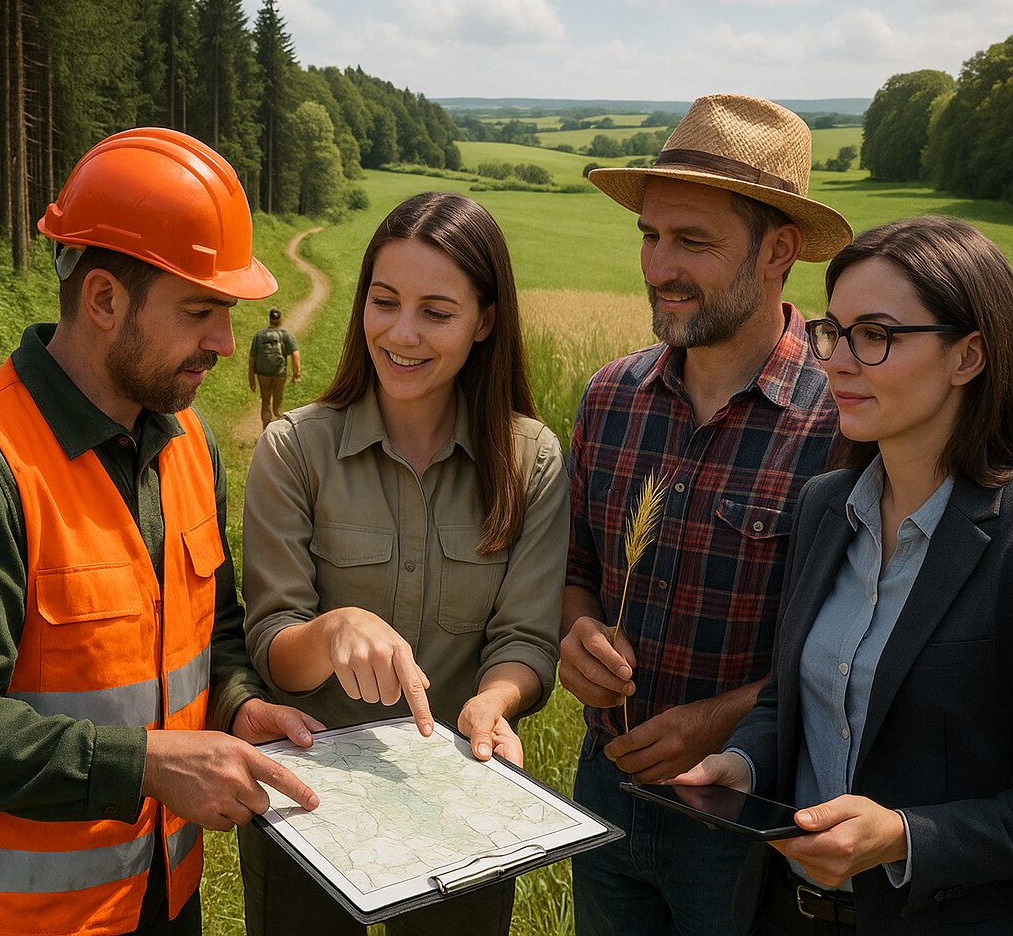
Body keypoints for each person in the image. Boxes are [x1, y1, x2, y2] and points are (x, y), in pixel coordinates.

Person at [0, 128, 323, 936]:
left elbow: (222, 632)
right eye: (200, 311)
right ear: (104, 300)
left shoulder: (187, 443)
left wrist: (239, 705)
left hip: (167, 902)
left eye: (229, 313)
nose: (224, 343)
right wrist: (145, 765)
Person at [558, 93, 853, 936]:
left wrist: (722, 721)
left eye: (693, 241)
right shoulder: (610, 396)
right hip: (604, 783)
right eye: (650, 236)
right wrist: (575, 633)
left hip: (751, 813)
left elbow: (862, 647)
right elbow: (576, 568)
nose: (658, 266)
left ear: (779, 251)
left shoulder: (842, 422)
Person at [237, 191, 569, 936]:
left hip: (462, 815)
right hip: (308, 807)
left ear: (486, 321)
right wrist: (334, 630)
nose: (402, 333)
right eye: (384, 302)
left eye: (437, 312)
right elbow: (272, 646)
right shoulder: (294, 452)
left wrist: (494, 704)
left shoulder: (531, 461)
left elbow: (525, 639)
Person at [679, 216, 1013, 935]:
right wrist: (742, 765)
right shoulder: (825, 506)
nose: (835, 361)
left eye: (877, 335)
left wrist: (902, 837)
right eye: (833, 332)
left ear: (969, 356)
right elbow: (788, 701)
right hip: (784, 913)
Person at [249, 307, 301, 428]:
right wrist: (296, 373)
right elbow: (295, 355)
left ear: (270, 319)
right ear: (280, 320)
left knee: (265, 402)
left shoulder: (259, 335)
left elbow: (252, 359)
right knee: (277, 404)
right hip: (279, 373)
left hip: (262, 373)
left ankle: (265, 431)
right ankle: (276, 433)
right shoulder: (286, 335)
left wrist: (251, 378)